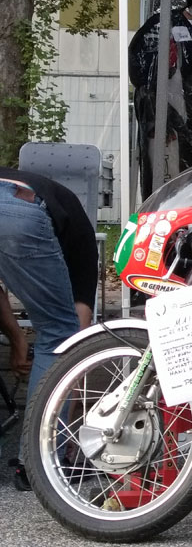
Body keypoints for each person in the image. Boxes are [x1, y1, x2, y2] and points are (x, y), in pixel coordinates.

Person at [0, 168, 96, 491]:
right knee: (58, 334)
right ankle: (41, 464)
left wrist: (16, 340)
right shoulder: (82, 244)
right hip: (18, 211)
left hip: (14, 203)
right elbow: (73, 341)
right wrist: (74, 403)